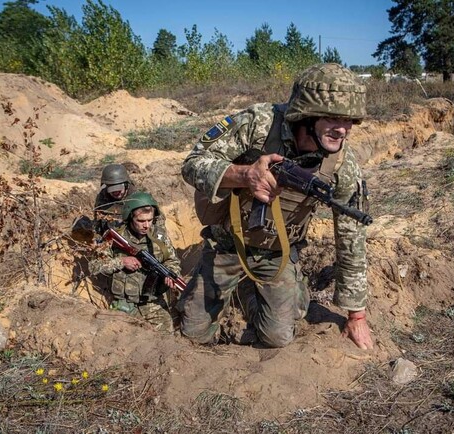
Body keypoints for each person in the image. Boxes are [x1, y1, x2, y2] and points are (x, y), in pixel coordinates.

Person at [178, 63, 372, 349]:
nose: (342, 129)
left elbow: (351, 236)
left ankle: (255, 290)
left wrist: (357, 315)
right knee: (193, 333)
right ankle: (234, 284)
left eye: (349, 120)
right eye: (332, 118)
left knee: (277, 337)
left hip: (277, 252)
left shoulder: (343, 164)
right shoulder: (258, 123)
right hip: (228, 243)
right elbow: (192, 164)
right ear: (307, 115)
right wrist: (244, 175)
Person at [89, 191, 181, 331]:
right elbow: (94, 266)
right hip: (123, 303)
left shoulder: (159, 237)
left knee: (165, 334)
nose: (146, 225)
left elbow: (172, 260)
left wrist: (171, 273)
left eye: (150, 220)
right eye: (141, 221)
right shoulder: (116, 236)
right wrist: (121, 261)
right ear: (130, 217)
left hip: (152, 303)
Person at [93, 163, 137, 235]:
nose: (116, 192)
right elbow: (97, 223)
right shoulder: (102, 198)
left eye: (118, 189)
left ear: (126, 184)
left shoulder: (137, 197)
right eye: (112, 189)